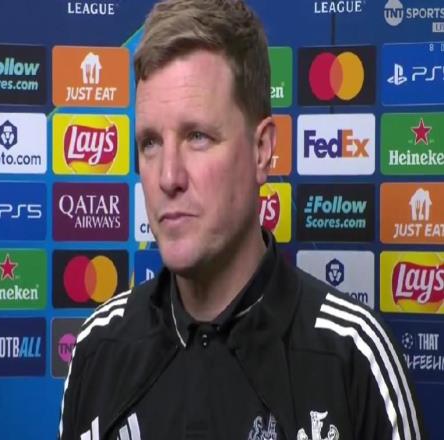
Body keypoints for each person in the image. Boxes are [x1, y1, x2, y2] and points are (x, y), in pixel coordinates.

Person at [59, 1, 426, 439]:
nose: (168, 177)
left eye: (197, 136)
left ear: (262, 150)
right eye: (150, 142)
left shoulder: (352, 356)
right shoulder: (99, 348)